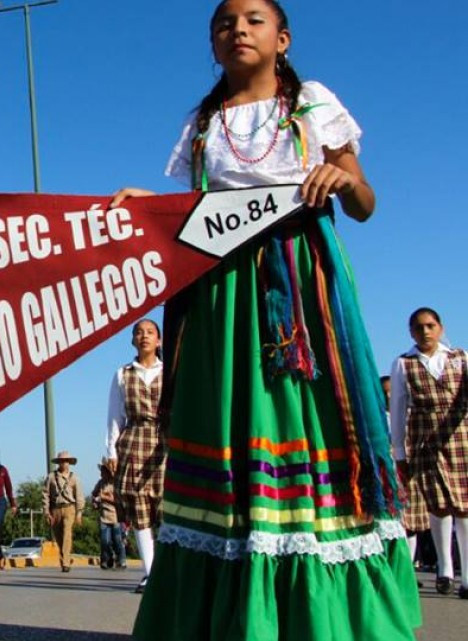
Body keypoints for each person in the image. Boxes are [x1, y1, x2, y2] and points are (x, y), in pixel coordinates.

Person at [111, 2, 421, 637]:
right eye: (224, 23)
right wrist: (157, 206)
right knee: (225, 424)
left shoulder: (311, 105)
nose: (238, 30)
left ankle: (322, 614)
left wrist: (340, 177)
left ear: (282, 38)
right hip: (220, 296)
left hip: (300, 283)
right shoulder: (203, 123)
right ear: (213, 44)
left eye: (253, 19)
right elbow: (203, 208)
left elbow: (365, 203)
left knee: (303, 422)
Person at [390, 308, 468, 599]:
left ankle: (466, 576)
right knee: (438, 505)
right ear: (411, 332)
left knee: (464, 506)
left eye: (430, 326)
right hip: (424, 442)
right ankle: (445, 568)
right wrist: (399, 451)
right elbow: (398, 409)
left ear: (441, 328)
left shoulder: (460, 358)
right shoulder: (403, 364)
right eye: (419, 327)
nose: (425, 332)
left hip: (460, 437)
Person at [105, 319, 164, 592]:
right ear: (132, 341)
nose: (144, 337)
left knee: (164, 508)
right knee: (139, 508)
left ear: (159, 340)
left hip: (164, 440)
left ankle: (168, 570)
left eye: (150, 332)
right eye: (139, 333)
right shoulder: (122, 373)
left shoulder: (170, 371)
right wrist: (110, 451)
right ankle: (150, 573)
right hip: (133, 440)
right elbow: (115, 416)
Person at [383, 374, 428, 589]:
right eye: (384, 392)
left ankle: (407, 568)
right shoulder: (379, 416)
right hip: (387, 470)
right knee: (392, 520)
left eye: (391, 391)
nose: (388, 395)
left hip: (408, 470)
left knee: (410, 521)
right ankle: (393, 568)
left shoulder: (411, 415)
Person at [43, 450, 85, 572]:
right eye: (61, 461)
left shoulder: (74, 478)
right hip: (55, 509)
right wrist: (46, 511)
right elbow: (45, 494)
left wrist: (79, 512)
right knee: (59, 537)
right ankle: (65, 558)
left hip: (69, 508)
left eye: (66, 461)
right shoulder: (51, 477)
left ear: (69, 463)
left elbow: (79, 496)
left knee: (67, 534)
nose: (64, 463)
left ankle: (65, 562)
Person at [91, 458, 126, 570]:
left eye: (103, 471)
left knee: (117, 541)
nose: (101, 474)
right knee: (104, 541)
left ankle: (121, 560)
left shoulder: (116, 484)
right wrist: (95, 502)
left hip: (116, 517)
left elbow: (119, 500)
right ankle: (106, 559)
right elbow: (93, 495)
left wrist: (104, 498)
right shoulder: (100, 483)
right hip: (104, 517)